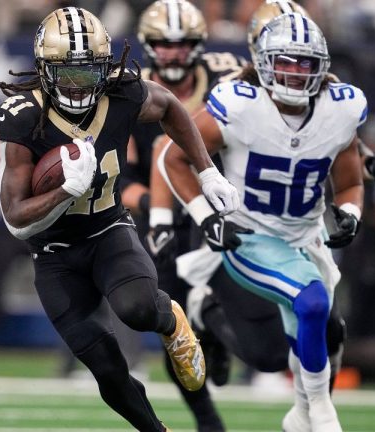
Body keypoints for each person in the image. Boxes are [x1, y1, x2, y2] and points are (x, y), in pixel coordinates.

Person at [0, 7, 239, 431]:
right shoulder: (23, 117)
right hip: (53, 252)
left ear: (105, 68)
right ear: (44, 71)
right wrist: (63, 190)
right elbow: (15, 219)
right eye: (67, 74)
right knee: (106, 368)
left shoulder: (122, 91)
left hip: (108, 229)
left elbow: (171, 107)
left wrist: (207, 170)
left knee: (137, 308)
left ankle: (171, 319)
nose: (78, 85)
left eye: (88, 74)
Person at [160, 13, 365, 432]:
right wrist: (206, 218)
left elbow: (350, 180)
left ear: (320, 67)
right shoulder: (238, 104)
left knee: (326, 333)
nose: (293, 72)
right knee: (310, 301)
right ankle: (323, 414)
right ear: (263, 61)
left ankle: (302, 414)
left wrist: (350, 212)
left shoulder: (341, 109)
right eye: (284, 61)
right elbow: (173, 156)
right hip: (248, 235)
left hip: (306, 238)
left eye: (304, 62)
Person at [123, 1, 245, 430]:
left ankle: (220, 331)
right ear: (149, 46)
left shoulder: (226, 81)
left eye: (182, 44)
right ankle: (207, 418)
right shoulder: (131, 94)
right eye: (163, 44)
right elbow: (122, 180)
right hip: (162, 219)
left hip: (224, 206)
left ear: (198, 46)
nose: (173, 53)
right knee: (174, 330)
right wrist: (157, 207)